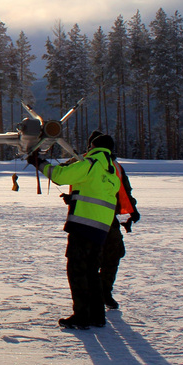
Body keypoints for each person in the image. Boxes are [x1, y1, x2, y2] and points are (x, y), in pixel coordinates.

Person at [28, 131, 120, 330]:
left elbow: (61, 176)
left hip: (83, 226)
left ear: (92, 147)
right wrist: (76, 197)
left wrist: (39, 163)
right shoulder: (112, 171)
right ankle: (97, 316)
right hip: (101, 230)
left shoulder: (91, 163)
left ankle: (81, 315)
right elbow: (98, 194)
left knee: (77, 270)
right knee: (92, 272)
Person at [99, 139, 140, 310]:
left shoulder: (116, 166)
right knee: (92, 258)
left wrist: (132, 211)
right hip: (89, 219)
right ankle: (94, 294)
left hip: (110, 219)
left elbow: (125, 190)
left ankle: (105, 291)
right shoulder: (85, 162)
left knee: (114, 254)